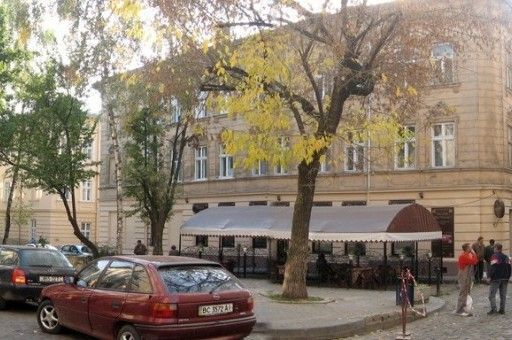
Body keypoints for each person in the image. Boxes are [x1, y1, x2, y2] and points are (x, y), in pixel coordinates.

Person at [487, 243, 511, 315]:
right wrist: (508, 277)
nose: (493, 249)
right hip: (505, 278)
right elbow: (510, 268)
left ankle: (494, 310)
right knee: (503, 295)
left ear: (497, 248)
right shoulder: (507, 257)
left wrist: (490, 276)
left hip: (496, 278)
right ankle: (502, 310)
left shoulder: (494, 256)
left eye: (494, 248)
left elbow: (493, 267)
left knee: (492, 295)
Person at [455, 243, 478, 316]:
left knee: (466, 292)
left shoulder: (467, 255)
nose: (471, 249)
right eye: (470, 248)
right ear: (467, 249)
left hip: (467, 277)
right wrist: (474, 253)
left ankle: (464, 307)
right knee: (463, 293)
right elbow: (474, 261)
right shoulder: (463, 256)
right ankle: (459, 310)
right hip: (463, 277)